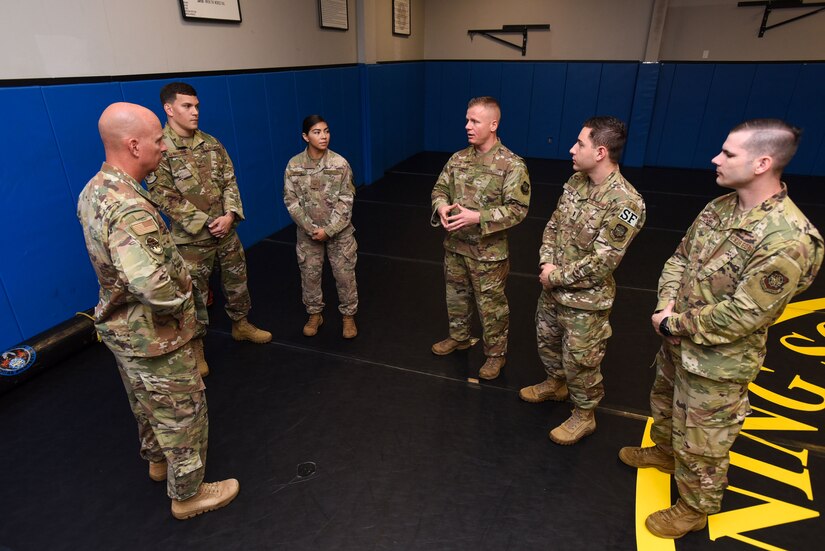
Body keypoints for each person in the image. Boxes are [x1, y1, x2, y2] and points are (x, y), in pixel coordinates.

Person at [618, 119, 823, 539]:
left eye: (728, 153)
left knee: (704, 440)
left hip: (719, 363)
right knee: (665, 401)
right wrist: (666, 304)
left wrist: (674, 322)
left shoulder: (789, 238)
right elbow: (679, 258)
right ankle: (664, 452)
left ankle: (695, 508)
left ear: (763, 162)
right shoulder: (719, 207)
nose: (716, 158)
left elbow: (746, 315)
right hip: (678, 342)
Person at [77, 102, 239, 520]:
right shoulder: (131, 207)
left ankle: (157, 462)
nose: (164, 146)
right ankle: (188, 494)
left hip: (121, 330)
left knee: (144, 402)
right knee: (183, 411)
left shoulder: (94, 190)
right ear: (133, 145)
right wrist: (188, 290)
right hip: (155, 335)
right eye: (156, 139)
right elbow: (154, 288)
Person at [520, 117, 645, 445]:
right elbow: (553, 224)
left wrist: (556, 276)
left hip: (585, 302)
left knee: (581, 361)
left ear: (601, 152)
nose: (572, 149)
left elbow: (604, 262)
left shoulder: (626, 203)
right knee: (546, 341)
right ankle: (555, 384)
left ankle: (583, 414)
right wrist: (546, 261)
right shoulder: (576, 181)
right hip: (552, 289)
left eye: (580, 144)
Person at [147, 82, 271, 377]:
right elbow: (162, 194)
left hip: (226, 232)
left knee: (237, 280)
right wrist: (204, 222)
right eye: (187, 106)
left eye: (197, 106)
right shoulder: (160, 149)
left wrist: (229, 215)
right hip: (191, 241)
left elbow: (229, 180)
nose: (195, 112)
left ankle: (241, 324)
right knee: (195, 295)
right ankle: (197, 345)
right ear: (169, 109)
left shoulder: (211, 143)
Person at [430, 96, 530, 380]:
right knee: (456, 298)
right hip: (455, 247)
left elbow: (517, 209)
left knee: (492, 307)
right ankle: (459, 337)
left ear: (493, 124)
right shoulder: (458, 159)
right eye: (467, 120)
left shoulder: (512, 165)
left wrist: (478, 217)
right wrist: (441, 206)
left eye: (474, 121)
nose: (467, 126)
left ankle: (495, 355)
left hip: (489, 254)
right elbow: (439, 188)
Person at [283, 115, 358, 338]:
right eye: (317, 132)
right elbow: (291, 200)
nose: (323, 136)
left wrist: (329, 230)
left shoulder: (340, 164)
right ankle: (315, 314)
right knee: (310, 276)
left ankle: (348, 316)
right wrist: (310, 228)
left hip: (339, 233)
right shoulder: (294, 165)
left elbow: (347, 200)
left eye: (326, 131)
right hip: (308, 235)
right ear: (305, 136)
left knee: (345, 276)